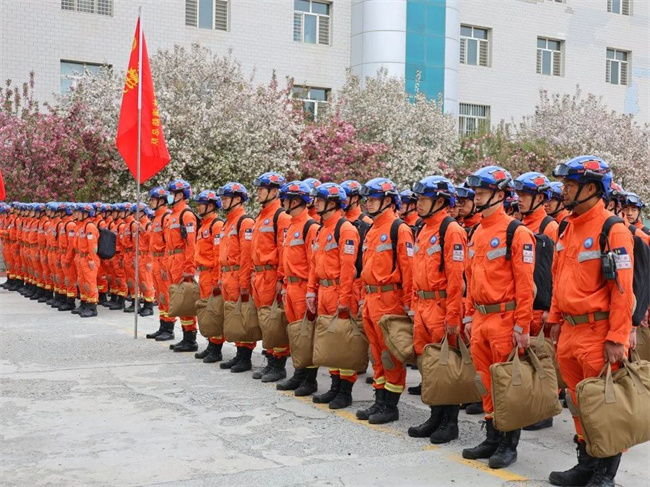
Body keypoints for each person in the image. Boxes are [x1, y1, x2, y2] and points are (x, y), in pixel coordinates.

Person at [547, 156, 635, 487]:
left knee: (603, 407)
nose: (564, 191)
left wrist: (617, 336)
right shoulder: (567, 227)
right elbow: (558, 277)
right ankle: (586, 463)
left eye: (570, 185)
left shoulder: (613, 230)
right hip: (570, 331)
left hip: (599, 333)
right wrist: (556, 317)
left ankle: (604, 474)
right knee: (578, 403)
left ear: (592, 189)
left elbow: (622, 290)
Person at [461, 166, 536, 470]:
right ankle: (492, 437)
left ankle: (508, 443)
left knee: (506, 384)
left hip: (505, 319)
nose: (477, 197)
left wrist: (522, 325)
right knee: (485, 381)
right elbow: (471, 278)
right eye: (476, 193)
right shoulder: (478, 231)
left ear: (501, 195)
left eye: (483, 192)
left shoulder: (516, 232)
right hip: (480, 318)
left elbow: (526, 285)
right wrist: (468, 315)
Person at [408, 176, 467, 443]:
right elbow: (416, 271)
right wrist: (414, 306)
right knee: (429, 364)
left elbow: (456, 279)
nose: (418, 204)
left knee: (445, 365)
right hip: (423, 305)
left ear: (440, 201)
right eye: (419, 199)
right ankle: (435, 415)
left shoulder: (451, 230)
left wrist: (453, 316)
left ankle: (449, 422)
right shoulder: (423, 228)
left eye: (424, 199)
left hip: (441, 307)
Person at [354, 178, 414, 425]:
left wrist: (409, 305)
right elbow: (365, 268)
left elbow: (408, 270)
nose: (368, 204)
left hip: (390, 299)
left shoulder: (399, 229)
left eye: (373, 199)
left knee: (390, 354)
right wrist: (362, 297)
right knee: (376, 354)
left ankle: (390, 405)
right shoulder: (372, 229)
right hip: (371, 298)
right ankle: (379, 400)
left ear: (388, 201)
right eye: (367, 200)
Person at [306, 183, 360, 409]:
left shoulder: (345, 229)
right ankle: (335, 386)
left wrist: (344, 300)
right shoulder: (322, 229)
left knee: (343, 343)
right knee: (330, 341)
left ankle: (345, 391)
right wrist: (311, 291)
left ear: (334, 203)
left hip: (340, 290)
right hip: (324, 291)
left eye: (320, 200)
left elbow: (348, 269)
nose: (316, 203)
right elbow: (314, 263)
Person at [275, 181, 321, 395]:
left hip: (303, 287)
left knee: (305, 334)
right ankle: (299, 372)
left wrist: (311, 291)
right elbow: (288, 259)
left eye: (285, 199)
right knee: (295, 333)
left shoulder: (310, 227)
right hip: (292, 286)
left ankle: (309, 379)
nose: (283, 203)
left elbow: (313, 263)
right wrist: (285, 284)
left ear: (295, 201)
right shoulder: (292, 225)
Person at [216, 182, 255, 372]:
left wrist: (244, 281)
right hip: (227, 275)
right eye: (222, 198)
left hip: (238, 274)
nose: (222, 201)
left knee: (242, 315)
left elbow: (247, 256)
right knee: (233, 316)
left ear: (238, 199)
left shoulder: (245, 222)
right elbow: (221, 253)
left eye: (226, 198)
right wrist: (220, 276)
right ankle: (239, 354)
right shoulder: (227, 223)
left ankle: (245, 357)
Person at [165, 179, 199, 352]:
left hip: (181, 260)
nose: (170, 196)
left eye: (173, 193)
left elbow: (191, 244)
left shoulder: (186, 215)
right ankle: (185, 335)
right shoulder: (173, 215)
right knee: (178, 299)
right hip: (172, 260)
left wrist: (189, 268)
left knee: (185, 300)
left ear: (181, 195)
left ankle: (190, 338)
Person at [192, 190, 226, 363]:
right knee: (207, 311)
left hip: (212, 273)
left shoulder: (216, 225)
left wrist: (217, 279)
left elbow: (218, 254)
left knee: (214, 311)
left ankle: (216, 349)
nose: (198, 207)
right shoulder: (204, 225)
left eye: (201, 204)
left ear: (211, 206)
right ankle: (211, 344)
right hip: (204, 273)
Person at [146, 188, 175, 340]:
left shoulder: (166, 217)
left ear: (162, 201)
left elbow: (168, 244)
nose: (150, 202)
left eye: (153, 199)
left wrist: (164, 265)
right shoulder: (156, 218)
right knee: (159, 295)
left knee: (165, 295)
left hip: (162, 260)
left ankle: (169, 329)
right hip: (155, 259)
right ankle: (162, 325)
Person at [74, 203, 100, 318]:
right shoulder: (81, 226)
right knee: (82, 282)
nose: (77, 214)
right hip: (81, 257)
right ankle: (84, 303)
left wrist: (91, 259)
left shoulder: (89, 226)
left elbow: (92, 245)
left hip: (88, 258)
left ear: (86, 214)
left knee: (90, 282)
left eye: (80, 212)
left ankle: (92, 306)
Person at [132, 203, 156, 317]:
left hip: (146, 256)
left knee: (147, 282)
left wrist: (149, 261)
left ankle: (149, 305)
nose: (133, 215)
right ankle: (144, 303)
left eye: (135, 212)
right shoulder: (137, 224)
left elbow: (151, 243)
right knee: (141, 282)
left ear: (142, 213)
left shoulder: (148, 225)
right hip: (139, 256)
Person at [108, 204, 128, 311]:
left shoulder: (121, 226)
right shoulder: (115, 226)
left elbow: (123, 243)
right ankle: (115, 298)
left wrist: (121, 257)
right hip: (114, 255)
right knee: (115, 277)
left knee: (121, 278)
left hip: (119, 255)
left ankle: (121, 300)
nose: (112, 214)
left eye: (114, 212)